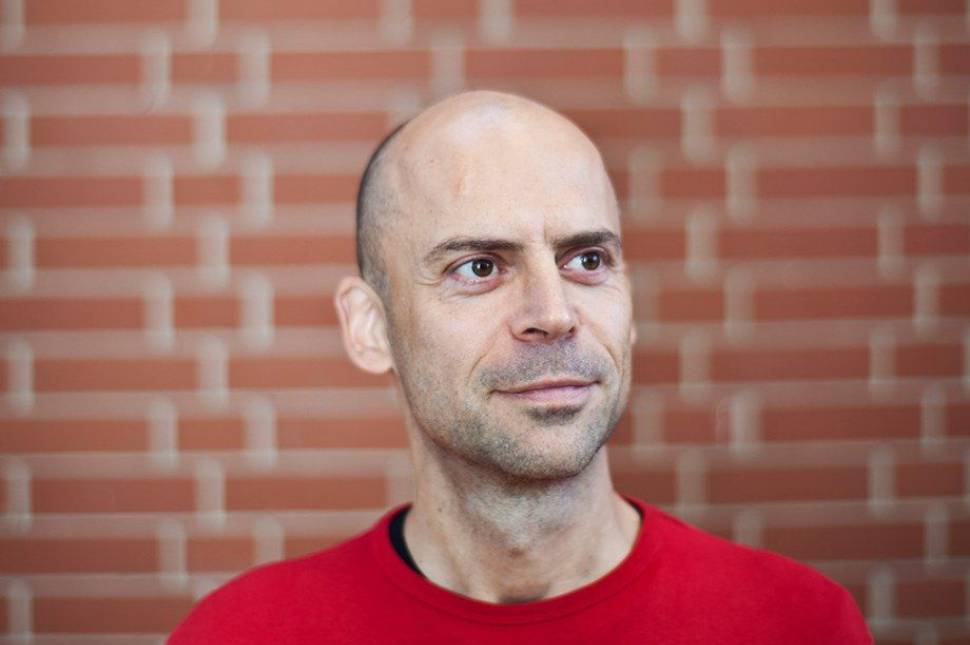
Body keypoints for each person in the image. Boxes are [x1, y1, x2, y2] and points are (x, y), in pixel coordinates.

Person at [169, 91, 873, 644]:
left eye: (587, 259)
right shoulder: (243, 635)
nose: (554, 312)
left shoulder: (797, 625)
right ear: (369, 327)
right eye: (479, 267)